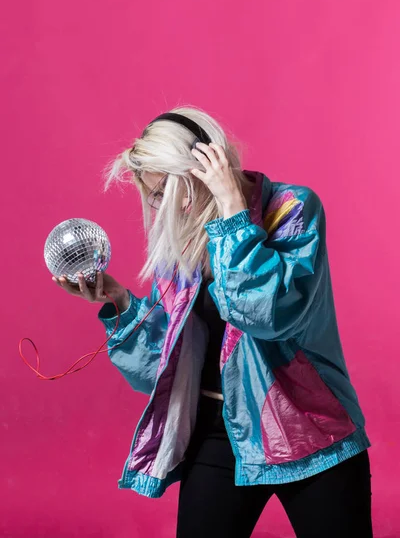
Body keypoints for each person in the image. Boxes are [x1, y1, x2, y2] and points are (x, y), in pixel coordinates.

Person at [53, 107, 373, 538]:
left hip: (309, 427)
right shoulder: (183, 242)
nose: (169, 205)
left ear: (209, 164)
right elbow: (162, 367)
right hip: (219, 432)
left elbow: (267, 313)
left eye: (170, 188)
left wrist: (232, 211)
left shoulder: (293, 209)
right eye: (154, 195)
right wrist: (120, 301)